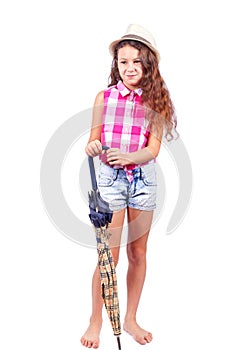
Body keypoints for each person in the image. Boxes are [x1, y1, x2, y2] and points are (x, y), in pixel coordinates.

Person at [81, 24, 177, 348]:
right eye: (123, 62)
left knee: (138, 252)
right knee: (108, 256)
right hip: (110, 180)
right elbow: (93, 141)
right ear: (116, 64)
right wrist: (94, 148)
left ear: (148, 64)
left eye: (136, 61)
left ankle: (130, 318)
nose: (130, 68)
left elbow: (153, 149)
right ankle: (96, 321)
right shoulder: (103, 98)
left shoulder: (156, 101)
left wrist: (128, 156)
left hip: (143, 181)